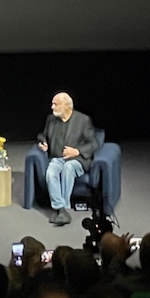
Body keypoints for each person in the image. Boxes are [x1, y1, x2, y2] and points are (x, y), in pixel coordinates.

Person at [36, 92, 98, 226]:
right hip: (57, 158)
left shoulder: (83, 120)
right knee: (50, 173)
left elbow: (93, 143)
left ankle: (63, 209)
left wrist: (77, 151)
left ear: (66, 105)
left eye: (55, 104)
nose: (52, 107)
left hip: (77, 159)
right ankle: (61, 208)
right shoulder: (51, 120)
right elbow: (43, 134)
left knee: (68, 168)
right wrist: (43, 142)